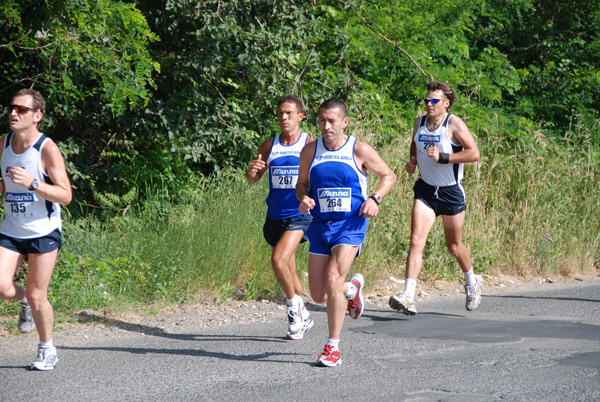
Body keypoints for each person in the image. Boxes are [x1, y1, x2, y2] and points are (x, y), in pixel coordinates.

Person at [296, 98, 396, 367]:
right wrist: (303, 199)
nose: (326, 126)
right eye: (321, 120)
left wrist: (374, 199)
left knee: (332, 277)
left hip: (350, 225)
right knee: (319, 294)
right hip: (320, 226)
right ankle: (352, 289)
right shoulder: (309, 151)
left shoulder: (358, 149)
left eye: (331, 121)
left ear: (345, 122)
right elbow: (301, 185)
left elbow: (389, 175)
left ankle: (333, 348)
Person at [389, 81, 481, 316]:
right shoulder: (419, 122)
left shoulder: (454, 124)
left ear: (446, 103)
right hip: (426, 191)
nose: (429, 104)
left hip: (450, 192)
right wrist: (412, 161)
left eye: (434, 101)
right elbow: (414, 144)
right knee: (416, 241)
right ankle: (409, 296)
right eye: (426, 100)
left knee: (454, 246)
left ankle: (472, 282)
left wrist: (444, 157)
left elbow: (474, 153)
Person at [0, 89, 72, 370]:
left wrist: (33, 183)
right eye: (12, 108)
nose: (14, 113)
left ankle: (47, 350)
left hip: (43, 231)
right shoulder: (3, 143)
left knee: (38, 293)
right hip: (12, 228)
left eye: (22, 109)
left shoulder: (47, 148)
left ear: (38, 116)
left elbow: (65, 195)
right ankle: (25, 302)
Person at [246, 95, 315, 340]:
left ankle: (293, 312)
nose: (284, 118)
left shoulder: (310, 144)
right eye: (280, 114)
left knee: (278, 261)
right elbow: (254, 178)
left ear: (300, 117)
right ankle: (305, 314)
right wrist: (252, 173)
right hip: (274, 215)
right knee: (288, 269)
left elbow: (320, 175)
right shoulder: (269, 145)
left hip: (299, 214)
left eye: (289, 113)